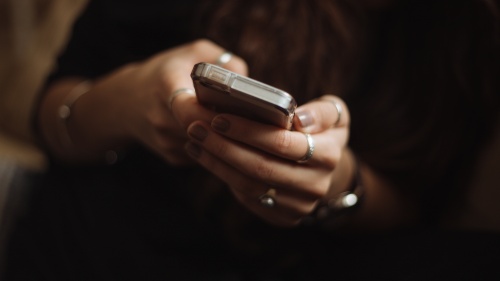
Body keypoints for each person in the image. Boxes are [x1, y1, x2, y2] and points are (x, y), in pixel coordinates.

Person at [4, 0, 500, 280]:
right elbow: (52, 121)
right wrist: (133, 99)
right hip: (96, 250)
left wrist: (338, 183)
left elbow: (421, 213)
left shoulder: (469, 32)